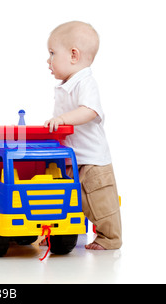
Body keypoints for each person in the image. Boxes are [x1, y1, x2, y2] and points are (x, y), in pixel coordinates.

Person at [43, 21, 122, 250]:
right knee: (77, 200)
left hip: (92, 159)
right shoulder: (67, 84)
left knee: (100, 201)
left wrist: (62, 120)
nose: (48, 60)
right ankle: (61, 233)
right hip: (73, 158)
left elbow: (90, 110)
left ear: (74, 55)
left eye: (52, 53)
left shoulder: (85, 81)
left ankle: (110, 238)